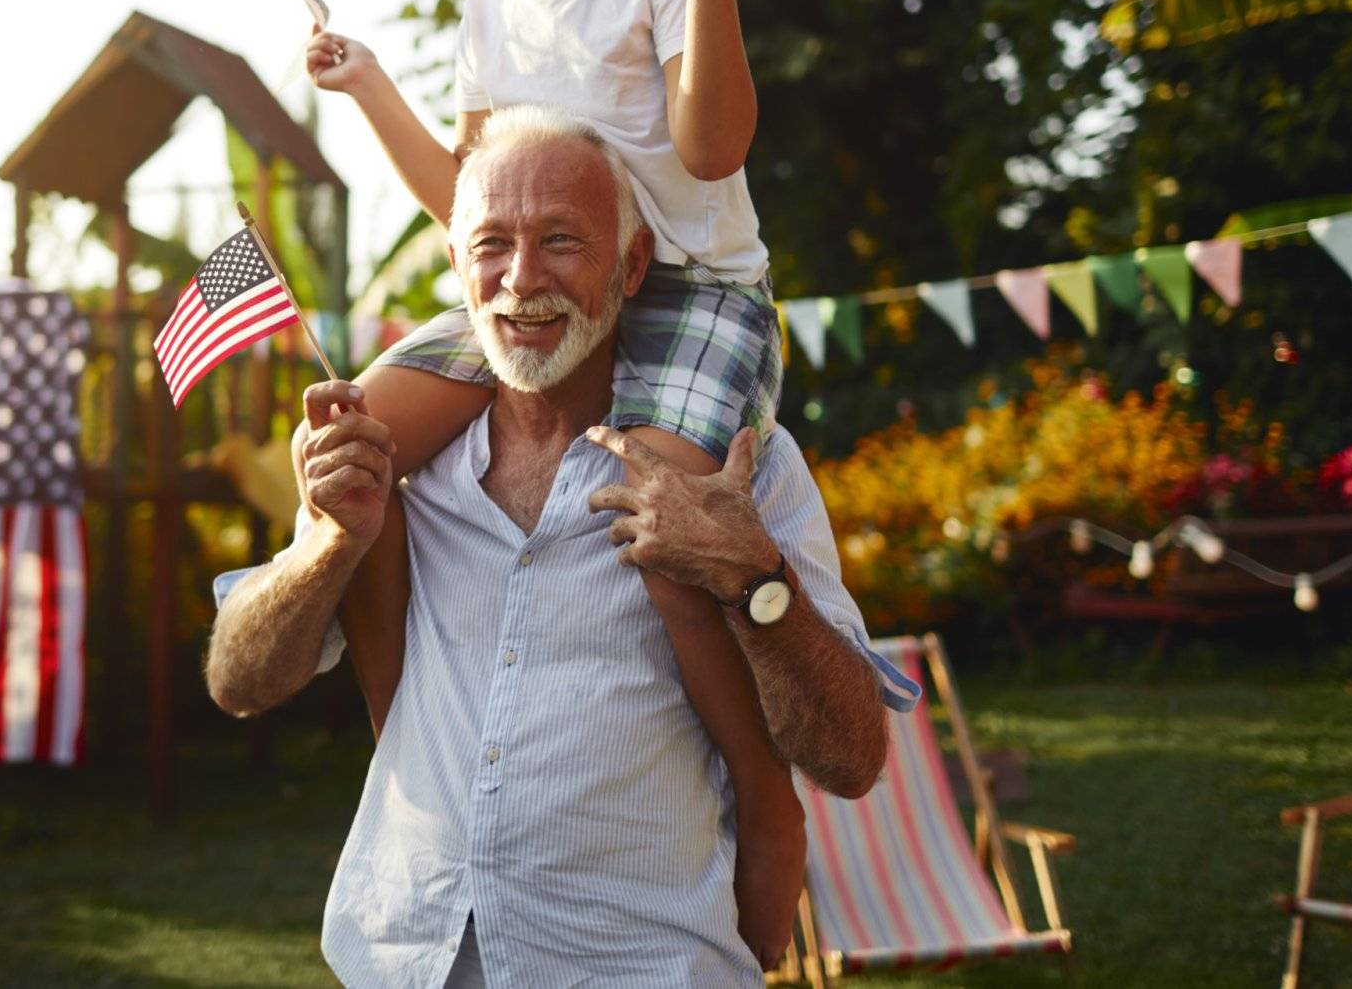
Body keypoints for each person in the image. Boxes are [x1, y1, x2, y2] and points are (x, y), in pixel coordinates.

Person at [206, 110, 919, 987]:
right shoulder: (394, 471)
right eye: (492, 243)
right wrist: (327, 547)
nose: (522, 278)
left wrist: (751, 575)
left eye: (561, 240)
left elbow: (852, 758)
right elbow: (240, 680)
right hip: (403, 960)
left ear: (629, 265)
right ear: (458, 266)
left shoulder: (741, 466)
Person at [301, 0, 805, 959]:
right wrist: (368, 82)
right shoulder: (484, 17)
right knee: (355, 447)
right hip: (535, 291)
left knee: (663, 527)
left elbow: (710, 152)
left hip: (687, 292)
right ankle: (414, 758)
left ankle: (762, 794)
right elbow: (464, 202)